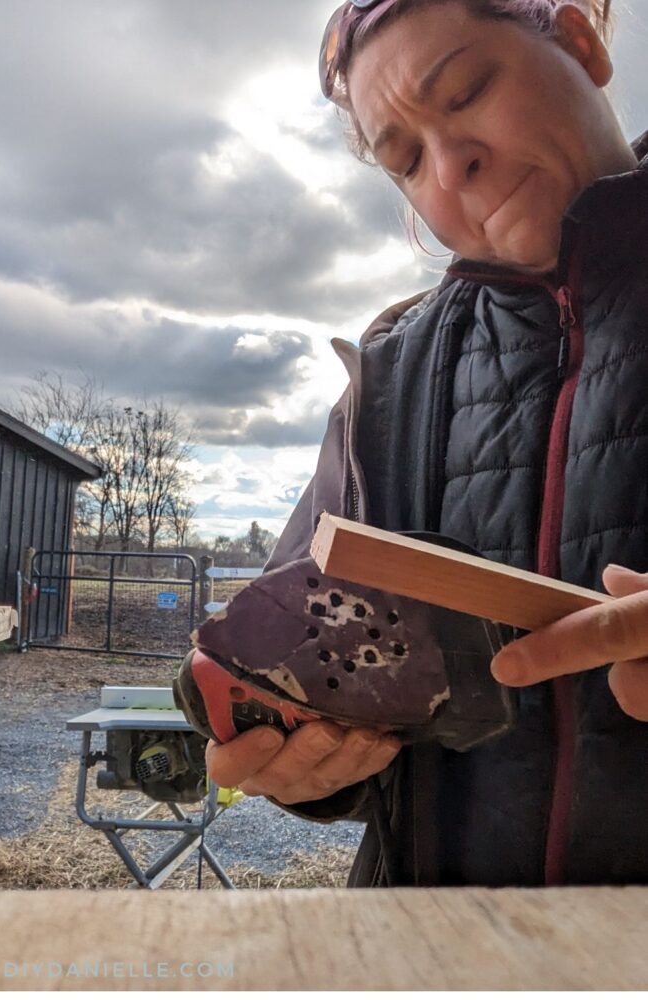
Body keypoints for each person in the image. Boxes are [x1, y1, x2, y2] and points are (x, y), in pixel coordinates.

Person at [203, 0, 648, 887]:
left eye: (467, 89)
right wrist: (303, 761)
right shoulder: (388, 379)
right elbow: (296, 658)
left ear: (581, 40)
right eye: (405, 159)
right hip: (437, 952)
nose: (451, 164)